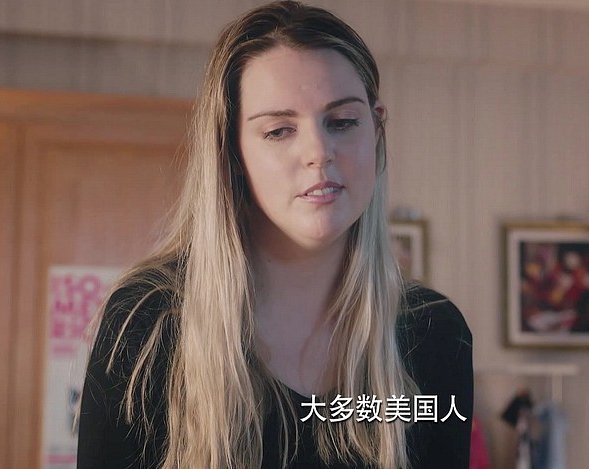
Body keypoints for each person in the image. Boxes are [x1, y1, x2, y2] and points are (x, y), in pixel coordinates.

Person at [76, 2, 473, 468]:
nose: (318, 152)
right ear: (230, 150)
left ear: (376, 128)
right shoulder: (148, 321)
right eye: (280, 130)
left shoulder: (435, 333)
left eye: (342, 122)